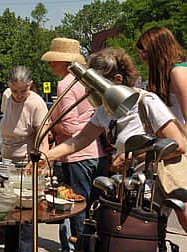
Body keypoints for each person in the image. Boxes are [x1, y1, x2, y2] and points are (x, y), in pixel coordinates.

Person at [44, 47, 187, 233]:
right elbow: (79, 140)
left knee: (145, 237)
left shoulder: (147, 101)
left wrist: (134, 157)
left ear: (117, 80)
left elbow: (178, 145)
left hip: (156, 184)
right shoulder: (105, 110)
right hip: (129, 187)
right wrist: (47, 156)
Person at [41, 37, 109, 252]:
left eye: (53, 60)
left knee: (78, 209)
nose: (50, 65)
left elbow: (70, 129)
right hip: (95, 153)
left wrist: (53, 124)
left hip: (76, 155)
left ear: (64, 61)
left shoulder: (66, 84)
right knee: (94, 210)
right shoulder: (87, 81)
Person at [0, 66, 49, 252]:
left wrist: (39, 161)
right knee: (9, 211)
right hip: (7, 157)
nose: (18, 95)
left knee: (26, 215)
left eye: (22, 91)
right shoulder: (6, 96)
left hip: (27, 160)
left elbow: (43, 137)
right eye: (14, 90)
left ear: (30, 86)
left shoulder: (36, 103)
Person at [136, 26, 187, 131]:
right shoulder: (162, 76)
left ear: (158, 50)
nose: (142, 57)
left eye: (145, 52)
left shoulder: (178, 72)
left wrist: (180, 144)